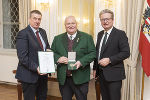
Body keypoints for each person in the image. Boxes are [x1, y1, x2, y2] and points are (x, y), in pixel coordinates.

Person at [51, 16, 96, 100]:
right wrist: (58, 58)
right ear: (65, 25)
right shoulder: (57, 38)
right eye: (68, 23)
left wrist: (81, 62)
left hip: (81, 78)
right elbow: (52, 52)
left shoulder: (87, 37)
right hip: (64, 79)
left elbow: (93, 53)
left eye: (73, 23)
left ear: (77, 24)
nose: (71, 25)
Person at [93, 9, 130, 100]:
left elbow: (126, 53)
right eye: (102, 19)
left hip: (114, 75)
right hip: (101, 75)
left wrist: (109, 60)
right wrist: (95, 68)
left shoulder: (120, 34)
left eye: (107, 19)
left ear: (112, 20)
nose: (105, 21)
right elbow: (97, 52)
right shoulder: (100, 34)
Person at [15, 10, 50, 100]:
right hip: (29, 75)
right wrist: (36, 67)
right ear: (29, 19)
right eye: (34, 18)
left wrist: (49, 54)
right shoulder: (23, 33)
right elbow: (23, 57)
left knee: (42, 97)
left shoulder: (43, 32)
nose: (37, 21)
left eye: (39, 19)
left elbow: (46, 47)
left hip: (43, 75)